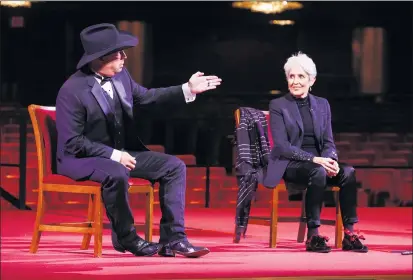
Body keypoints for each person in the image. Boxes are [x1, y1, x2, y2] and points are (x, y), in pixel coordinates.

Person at [55, 23, 222, 258]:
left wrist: (187, 89)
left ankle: (174, 239)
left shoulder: (121, 75)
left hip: (121, 153)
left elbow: (146, 97)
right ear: (100, 57)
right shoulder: (72, 90)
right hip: (81, 158)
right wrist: (114, 155)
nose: (124, 57)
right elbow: (73, 142)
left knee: (173, 166)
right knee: (116, 171)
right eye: (118, 52)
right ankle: (127, 238)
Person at [263, 52, 368, 253]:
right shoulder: (278, 105)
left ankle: (350, 233)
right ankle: (313, 235)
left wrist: (331, 160)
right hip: (291, 163)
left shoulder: (322, 104)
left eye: (301, 77)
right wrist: (315, 159)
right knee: (317, 171)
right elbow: (282, 147)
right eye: (291, 76)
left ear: (312, 80)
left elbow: (328, 141)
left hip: (318, 162)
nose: (295, 81)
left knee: (348, 171)